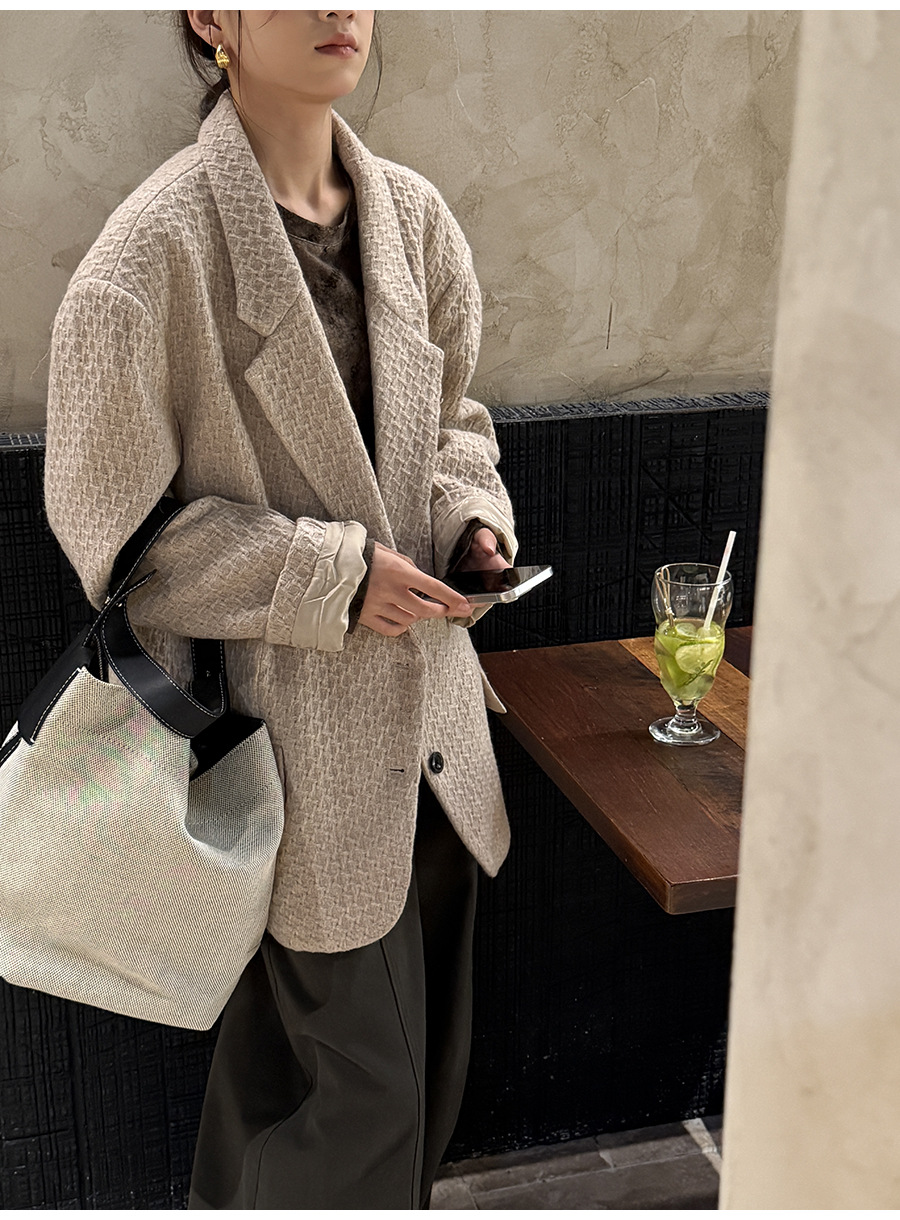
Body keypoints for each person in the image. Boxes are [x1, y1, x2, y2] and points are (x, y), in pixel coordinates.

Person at [43, 8, 518, 1210]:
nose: (338, 9)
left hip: (437, 739)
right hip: (285, 759)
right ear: (212, 17)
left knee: (377, 1086)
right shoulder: (148, 259)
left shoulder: (413, 218)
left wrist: (472, 521)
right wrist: (331, 576)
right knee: (365, 1108)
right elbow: (118, 543)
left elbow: (458, 425)